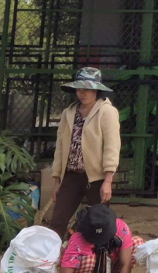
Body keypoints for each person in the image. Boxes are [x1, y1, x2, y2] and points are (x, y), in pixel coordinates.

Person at [45, 68, 121, 237]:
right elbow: (60, 147)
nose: (82, 93)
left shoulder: (107, 112)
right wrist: (57, 180)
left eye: (87, 89)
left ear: (96, 90)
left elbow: (112, 146)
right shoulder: (68, 113)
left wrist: (108, 180)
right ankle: (52, 252)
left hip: (96, 178)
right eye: (79, 89)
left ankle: (102, 252)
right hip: (71, 175)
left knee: (100, 222)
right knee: (57, 221)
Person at [57, 204, 143, 273]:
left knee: (137, 243)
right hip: (88, 272)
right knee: (88, 259)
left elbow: (125, 264)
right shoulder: (78, 239)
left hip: (110, 267)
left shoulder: (121, 228)